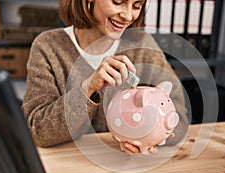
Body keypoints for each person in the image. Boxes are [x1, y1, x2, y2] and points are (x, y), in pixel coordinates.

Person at [22, 0, 189, 155]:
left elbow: (179, 120)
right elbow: (38, 131)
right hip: (69, 164)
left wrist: (151, 137)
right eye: (118, 1)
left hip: (126, 165)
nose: (128, 15)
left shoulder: (143, 46)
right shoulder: (48, 46)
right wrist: (88, 88)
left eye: (137, 6)